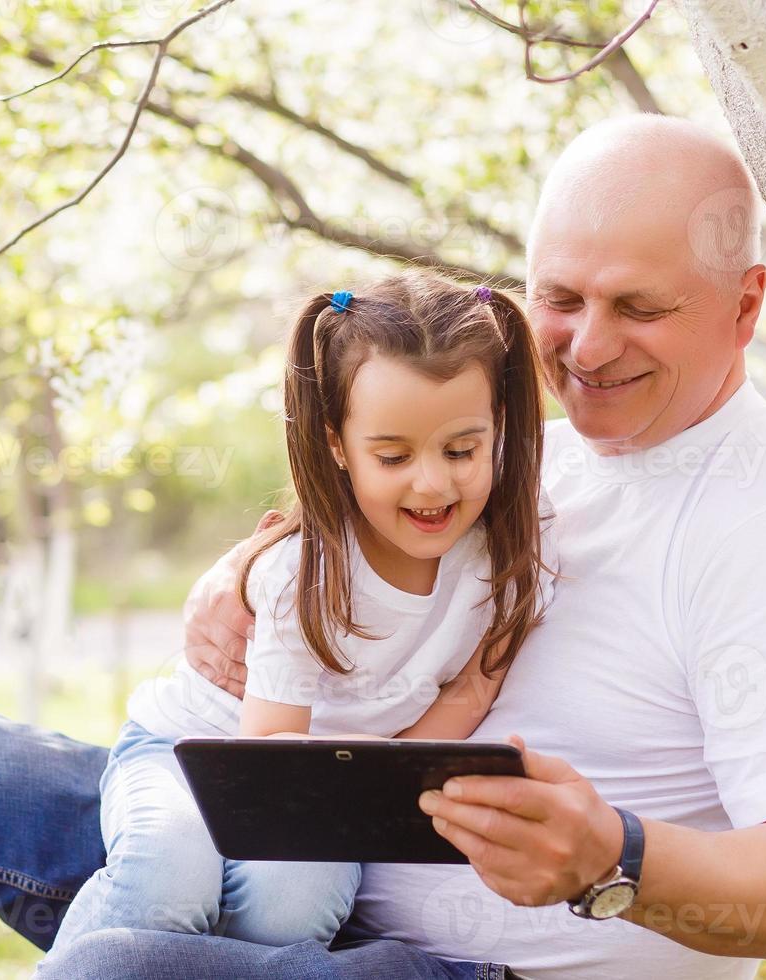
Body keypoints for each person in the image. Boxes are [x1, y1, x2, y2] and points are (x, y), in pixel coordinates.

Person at [0, 114, 766, 980]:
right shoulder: (528, 449)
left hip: (465, 966)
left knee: (117, 966)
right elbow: (364, 517)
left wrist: (613, 856)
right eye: (560, 296)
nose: (584, 343)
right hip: (301, 849)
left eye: (640, 306)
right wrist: (238, 572)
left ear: (746, 305)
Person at [44, 274, 553, 965]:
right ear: (337, 445)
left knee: (299, 901)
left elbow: (470, 692)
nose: (433, 484)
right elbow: (266, 767)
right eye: (394, 456)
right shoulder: (304, 573)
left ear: (499, 426)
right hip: (198, 754)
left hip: (320, 787)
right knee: (171, 873)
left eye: (461, 450)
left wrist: (380, 779)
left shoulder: (510, 549)